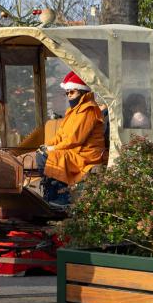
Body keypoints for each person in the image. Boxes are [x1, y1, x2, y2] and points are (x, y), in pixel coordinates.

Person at [37, 72, 107, 205]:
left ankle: (62, 196)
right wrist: (47, 145)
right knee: (42, 153)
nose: (69, 95)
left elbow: (75, 139)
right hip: (75, 150)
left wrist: (53, 148)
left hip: (87, 153)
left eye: (72, 92)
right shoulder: (73, 111)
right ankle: (51, 192)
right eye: (67, 93)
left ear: (82, 92)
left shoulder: (88, 110)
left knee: (51, 156)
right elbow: (61, 135)